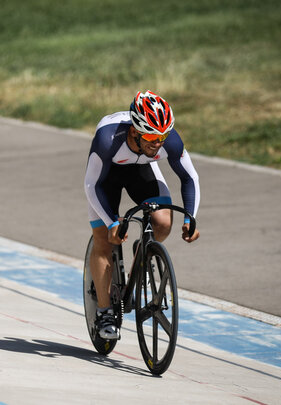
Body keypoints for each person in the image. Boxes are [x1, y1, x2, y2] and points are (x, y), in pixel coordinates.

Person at [84, 90, 200, 340]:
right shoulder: (108, 139)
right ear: (135, 130)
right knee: (106, 239)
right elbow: (92, 185)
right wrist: (112, 222)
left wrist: (191, 217)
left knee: (162, 224)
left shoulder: (168, 141)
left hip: (141, 170)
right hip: (107, 178)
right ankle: (104, 312)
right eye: (150, 136)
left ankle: (142, 251)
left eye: (162, 137)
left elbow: (189, 178)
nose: (157, 143)